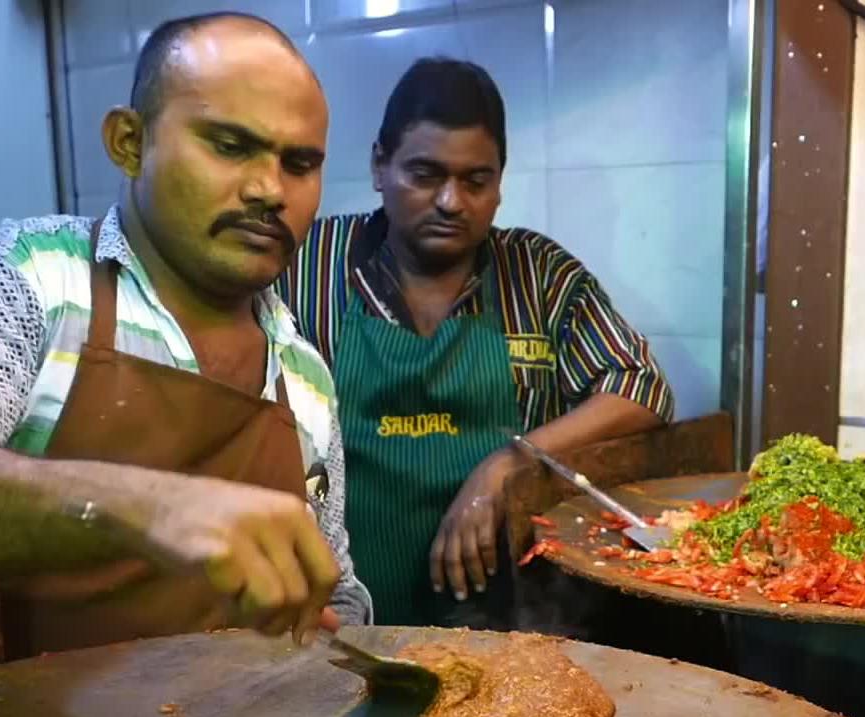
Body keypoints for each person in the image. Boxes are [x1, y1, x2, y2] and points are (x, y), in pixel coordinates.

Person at [0, 13, 370, 656]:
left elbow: (335, 582)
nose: (269, 189)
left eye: (299, 163)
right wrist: (141, 505)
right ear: (129, 141)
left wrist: (334, 630)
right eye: (229, 145)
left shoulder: (304, 373)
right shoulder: (28, 280)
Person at [279, 57, 674, 627]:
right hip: (343, 624)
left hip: (512, 626)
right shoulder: (309, 264)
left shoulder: (538, 274)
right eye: (425, 174)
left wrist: (506, 464)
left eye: (475, 180)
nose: (450, 201)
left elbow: (641, 388)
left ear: (498, 182)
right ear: (379, 165)